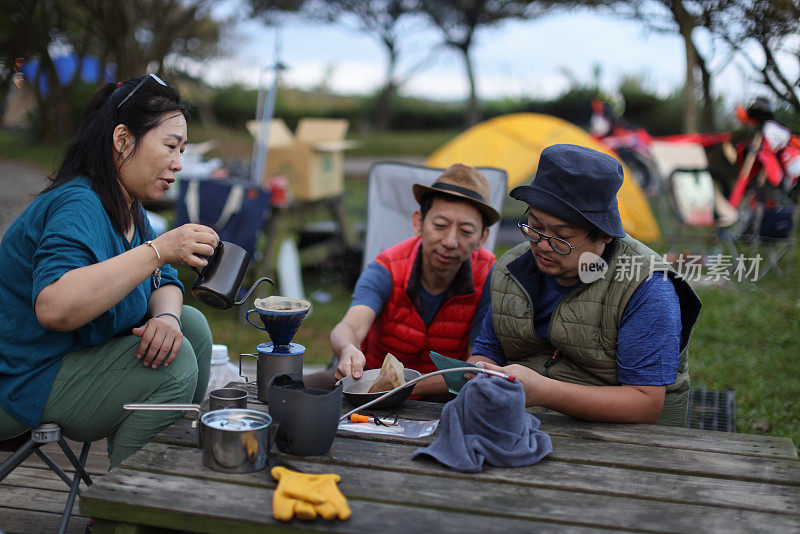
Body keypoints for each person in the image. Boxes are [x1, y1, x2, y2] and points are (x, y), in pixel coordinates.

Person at [0, 74, 219, 468]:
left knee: (191, 328)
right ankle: (120, 514)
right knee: (176, 366)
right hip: (22, 377)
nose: (179, 163)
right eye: (170, 146)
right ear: (122, 140)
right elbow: (55, 307)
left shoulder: (126, 203)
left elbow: (163, 280)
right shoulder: (79, 203)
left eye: (183, 149)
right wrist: (160, 250)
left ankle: (164, 477)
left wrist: (166, 318)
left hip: (69, 358)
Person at [469, 144, 701, 426]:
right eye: (535, 225)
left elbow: (646, 403)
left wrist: (543, 391)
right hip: (524, 419)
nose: (542, 245)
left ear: (603, 235)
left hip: (628, 441)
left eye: (561, 236)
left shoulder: (645, 286)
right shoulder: (511, 268)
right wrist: (478, 371)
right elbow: (487, 352)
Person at [326, 164, 499, 397]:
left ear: (482, 238)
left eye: (466, 231)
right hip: (368, 389)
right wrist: (348, 349)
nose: (450, 241)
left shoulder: (491, 277)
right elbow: (349, 326)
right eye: (440, 225)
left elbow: (477, 366)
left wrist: (399, 388)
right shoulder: (387, 267)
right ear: (419, 222)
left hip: (446, 400)